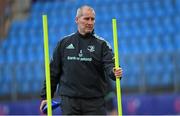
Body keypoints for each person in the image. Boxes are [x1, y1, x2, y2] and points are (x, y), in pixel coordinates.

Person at [40, 5, 123, 115]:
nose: (90, 22)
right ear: (77, 20)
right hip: (69, 102)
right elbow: (53, 72)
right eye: (86, 18)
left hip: (95, 103)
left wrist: (114, 72)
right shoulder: (63, 44)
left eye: (92, 19)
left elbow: (110, 66)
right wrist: (46, 96)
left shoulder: (102, 45)